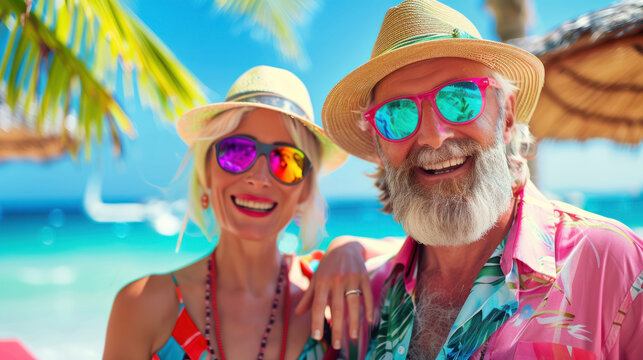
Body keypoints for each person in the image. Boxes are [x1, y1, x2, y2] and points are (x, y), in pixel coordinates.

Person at [317, 0, 643, 359]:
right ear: (380, 144)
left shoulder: (612, 267)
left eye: (459, 98)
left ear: (506, 117)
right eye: (397, 113)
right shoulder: (363, 297)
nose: (433, 136)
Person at [103, 65, 350, 360]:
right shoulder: (144, 305)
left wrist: (349, 248)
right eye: (236, 151)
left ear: (305, 190)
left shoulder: (333, 297)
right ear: (206, 172)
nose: (259, 177)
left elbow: (416, 255)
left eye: (286, 160)